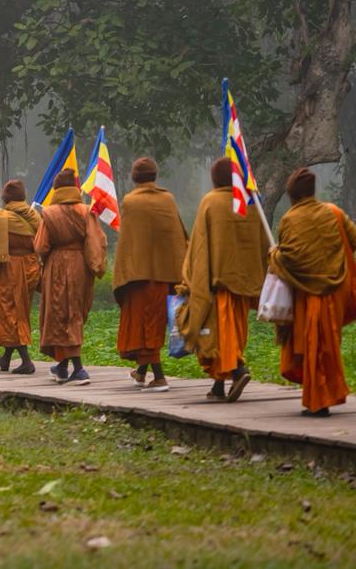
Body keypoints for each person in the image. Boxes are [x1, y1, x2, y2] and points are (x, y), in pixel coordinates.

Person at [179, 157, 270, 402]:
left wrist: (192, 277)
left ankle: (238, 368)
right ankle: (219, 385)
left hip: (218, 284)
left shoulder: (210, 201)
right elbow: (262, 244)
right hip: (244, 281)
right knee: (232, 333)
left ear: (215, 178)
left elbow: (199, 245)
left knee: (216, 334)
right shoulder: (251, 202)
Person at [270, 167, 356, 417]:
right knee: (327, 344)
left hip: (306, 295)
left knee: (311, 344)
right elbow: (353, 240)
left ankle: (318, 401)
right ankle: (324, 395)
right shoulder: (334, 213)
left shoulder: (288, 219)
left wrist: (273, 254)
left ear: (291, 195)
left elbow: (288, 258)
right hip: (334, 291)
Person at [114, 157, 188, 393]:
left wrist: (122, 272)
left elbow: (126, 243)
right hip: (165, 276)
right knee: (153, 324)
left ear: (134, 177)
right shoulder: (168, 199)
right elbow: (178, 236)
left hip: (138, 276)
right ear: (155, 175)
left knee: (144, 326)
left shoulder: (130, 202)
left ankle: (159, 378)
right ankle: (141, 373)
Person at [34, 168, 107, 384]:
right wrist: (96, 266)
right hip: (80, 266)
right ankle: (63, 366)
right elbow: (96, 240)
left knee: (58, 312)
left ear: (56, 188)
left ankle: (79, 369)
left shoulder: (49, 213)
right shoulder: (87, 211)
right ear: (75, 188)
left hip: (56, 265)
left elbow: (40, 245)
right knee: (75, 311)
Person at [0, 180, 42, 374]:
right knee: (19, 311)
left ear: (5, 197)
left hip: (9, 268)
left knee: (9, 312)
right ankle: (5, 359)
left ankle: (26, 361)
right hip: (31, 267)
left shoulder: (0, 219)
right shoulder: (35, 216)